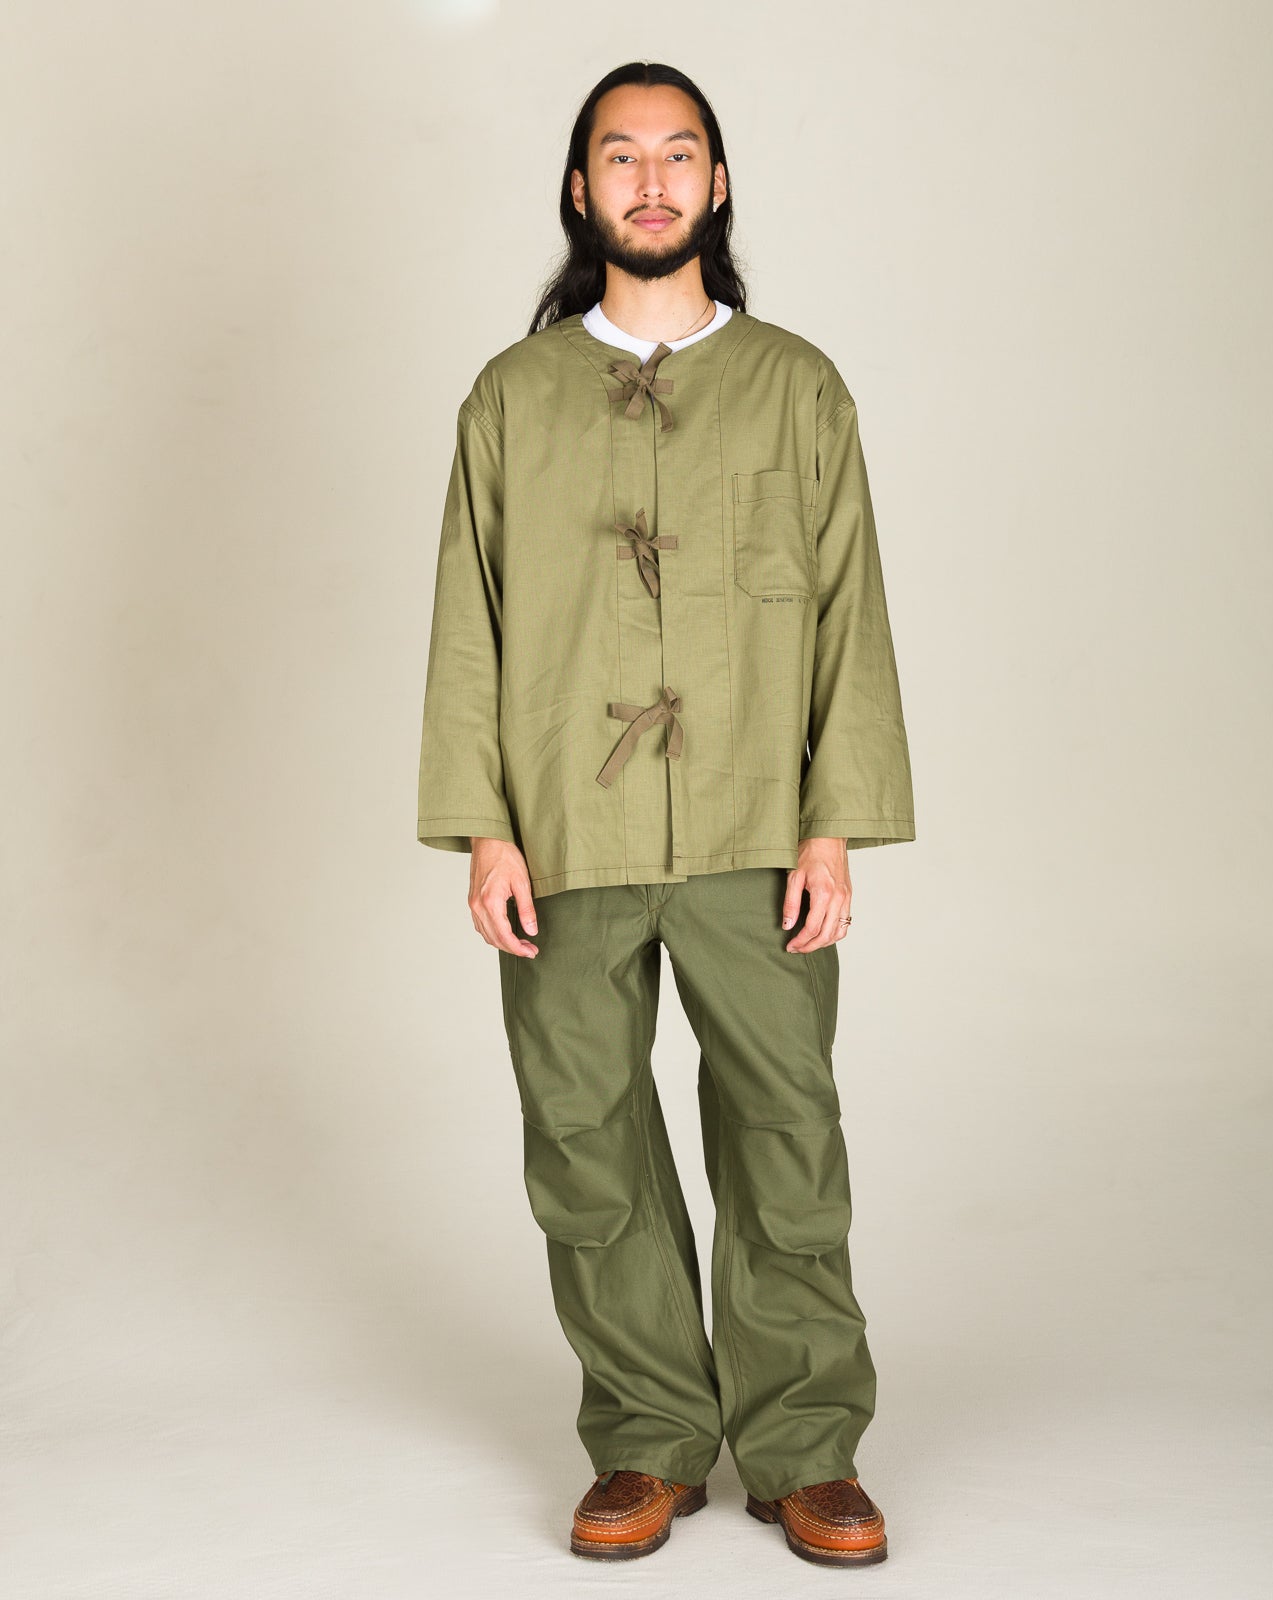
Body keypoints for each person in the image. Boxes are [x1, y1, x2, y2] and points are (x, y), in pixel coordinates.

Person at [416, 60, 916, 1568]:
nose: (650, 182)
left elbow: (850, 614)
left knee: (786, 1131)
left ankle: (805, 1445)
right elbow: (468, 624)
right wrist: (485, 828)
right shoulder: (511, 399)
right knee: (583, 1139)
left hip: (758, 828)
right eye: (620, 157)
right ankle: (645, 1435)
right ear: (580, 189)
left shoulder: (797, 387)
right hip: (563, 830)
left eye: (678, 154)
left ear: (717, 183)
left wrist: (832, 824)